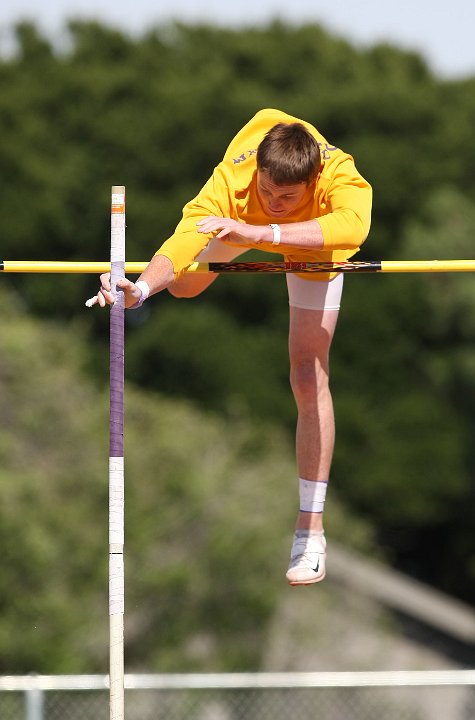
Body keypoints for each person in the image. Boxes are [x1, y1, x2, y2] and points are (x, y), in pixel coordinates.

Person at [88, 108, 372, 586]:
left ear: (313, 180)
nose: (276, 201)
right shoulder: (233, 181)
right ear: (256, 173)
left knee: (306, 372)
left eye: (287, 196)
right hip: (238, 223)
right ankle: (199, 260)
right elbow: (183, 239)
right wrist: (139, 289)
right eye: (268, 192)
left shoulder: (338, 175)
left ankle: (310, 532)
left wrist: (266, 232)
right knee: (181, 286)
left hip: (311, 240)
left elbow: (353, 229)